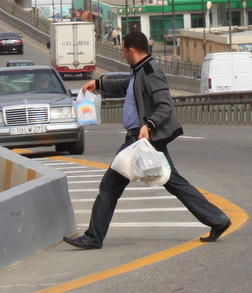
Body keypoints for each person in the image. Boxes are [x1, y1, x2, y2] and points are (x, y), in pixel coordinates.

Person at [62, 31, 231, 250]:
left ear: (131, 50)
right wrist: (100, 84)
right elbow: (128, 86)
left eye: (123, 51)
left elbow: (165, 105)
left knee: (110, 186)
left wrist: (148, 125)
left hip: (142, 137)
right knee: (173, 182)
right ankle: (218, 220)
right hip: (141, 137)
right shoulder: (139, 70)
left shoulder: (151, 71)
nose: (123, 54)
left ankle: (94, 237)